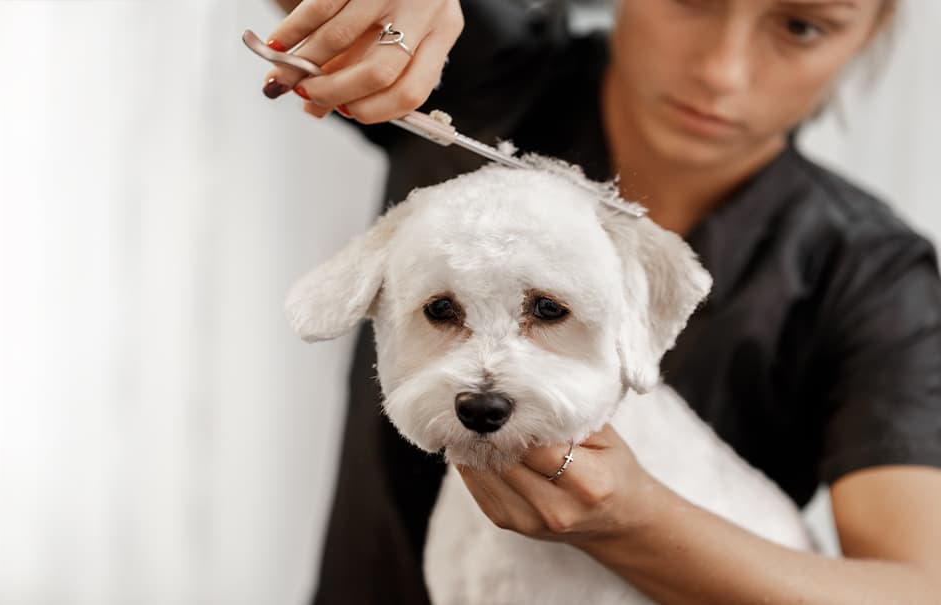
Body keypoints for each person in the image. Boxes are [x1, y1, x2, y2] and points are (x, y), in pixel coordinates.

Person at [258, 0, 941, 603]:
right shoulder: (487, 78)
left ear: (873, 25)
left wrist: (635, 521)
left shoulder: (873, 275)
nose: (721, 70)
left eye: (800, 24)